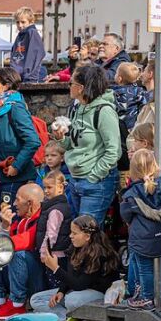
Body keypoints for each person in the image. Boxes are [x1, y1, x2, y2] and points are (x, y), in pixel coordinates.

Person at [55, 64, 122, 224]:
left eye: (71, 83)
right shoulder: (77, 108)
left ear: (81, 88)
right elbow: (72, 144)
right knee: (79, 231)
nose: (68, 86)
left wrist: (94, 176)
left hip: (96, 182)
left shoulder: (104, 111)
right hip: (76, 179)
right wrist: (60, 138)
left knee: (86, 234)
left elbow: (114, 151)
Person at [29, 214, 121, 321]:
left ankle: (53, 316)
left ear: (87, 236)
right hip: (76, 292)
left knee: (71, 300)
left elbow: (79, 285)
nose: (70, 236)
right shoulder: (75, 248)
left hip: (98, 294)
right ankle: (67, 319)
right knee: (36, 299)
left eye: (74, 233)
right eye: (71, 232)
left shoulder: (98, 254)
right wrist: (61, 291)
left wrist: (56, 269)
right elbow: (71, 275)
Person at [121, 148, 161, 307]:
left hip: (141, 237)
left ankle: (147, 297)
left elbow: (125, 214)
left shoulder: (132, 192)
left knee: (143, 267)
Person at [0, 182, 46, 318]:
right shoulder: (21, 219)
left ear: (30, 203)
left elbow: (25, 242)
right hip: (21, 275)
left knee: (13, 252)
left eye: (18, 199)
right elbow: (6, 240)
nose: (14, 204)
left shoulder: (42, 218)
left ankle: (17, 305)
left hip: (38, 280)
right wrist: (5, 226)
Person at [0, 67, 41, 201]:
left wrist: (16, 166)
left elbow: (33, 141)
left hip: (16, 178)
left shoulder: (15, 107)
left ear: (6, 86)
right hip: (1, 176)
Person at [10, 7, 45, 83]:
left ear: (31, 22)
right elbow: (14, 55)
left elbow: (34, 55)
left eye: (23, 22)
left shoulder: (32, 33)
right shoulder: (19, 36)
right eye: (17, 22)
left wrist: (29, 76)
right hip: (17, 77)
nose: (20, 25)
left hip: (28, 77)